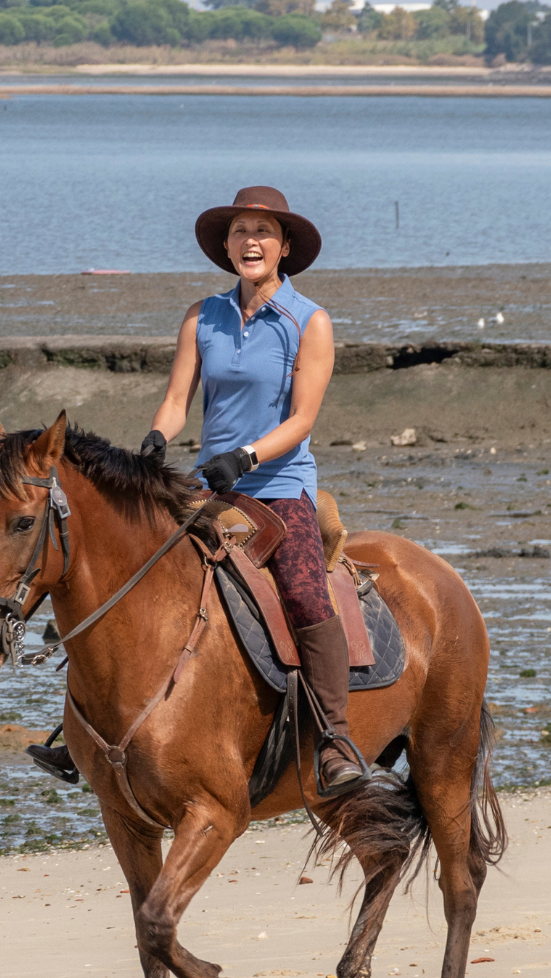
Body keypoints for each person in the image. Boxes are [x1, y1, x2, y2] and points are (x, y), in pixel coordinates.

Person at [139, 186, 365, 798]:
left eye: (263, 231)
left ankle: (337, 740)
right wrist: (157, 440)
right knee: (132, 567)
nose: (251, 242)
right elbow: (178, 400)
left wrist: (245, 457)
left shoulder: (308, 321)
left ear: (285, 248)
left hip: (279, 484)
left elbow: (301, 420)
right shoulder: (201, 316)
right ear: (227, 246)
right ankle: (87, 732)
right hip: (211, 483)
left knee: (302, 591)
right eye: (240, 231)